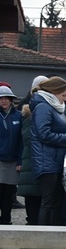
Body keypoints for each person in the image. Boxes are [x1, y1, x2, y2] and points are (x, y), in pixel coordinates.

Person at [30, 77, 66, 226]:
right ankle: (43, 236)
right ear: (54, 92)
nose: (65, 99)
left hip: (54, 160)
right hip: (47, 161)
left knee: (55, 203)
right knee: (49, 203)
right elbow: (44, 134)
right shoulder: (44, 107)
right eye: (63, 95)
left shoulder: (53, 107)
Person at [0, 85, 22, 225]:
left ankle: (6, 219)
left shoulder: (18, 116)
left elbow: (21, 141)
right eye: (1, 98)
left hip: (13, 160)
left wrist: (20, 160)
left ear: (11, 100)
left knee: (8, 192)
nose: (4, 101)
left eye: (6, 98)